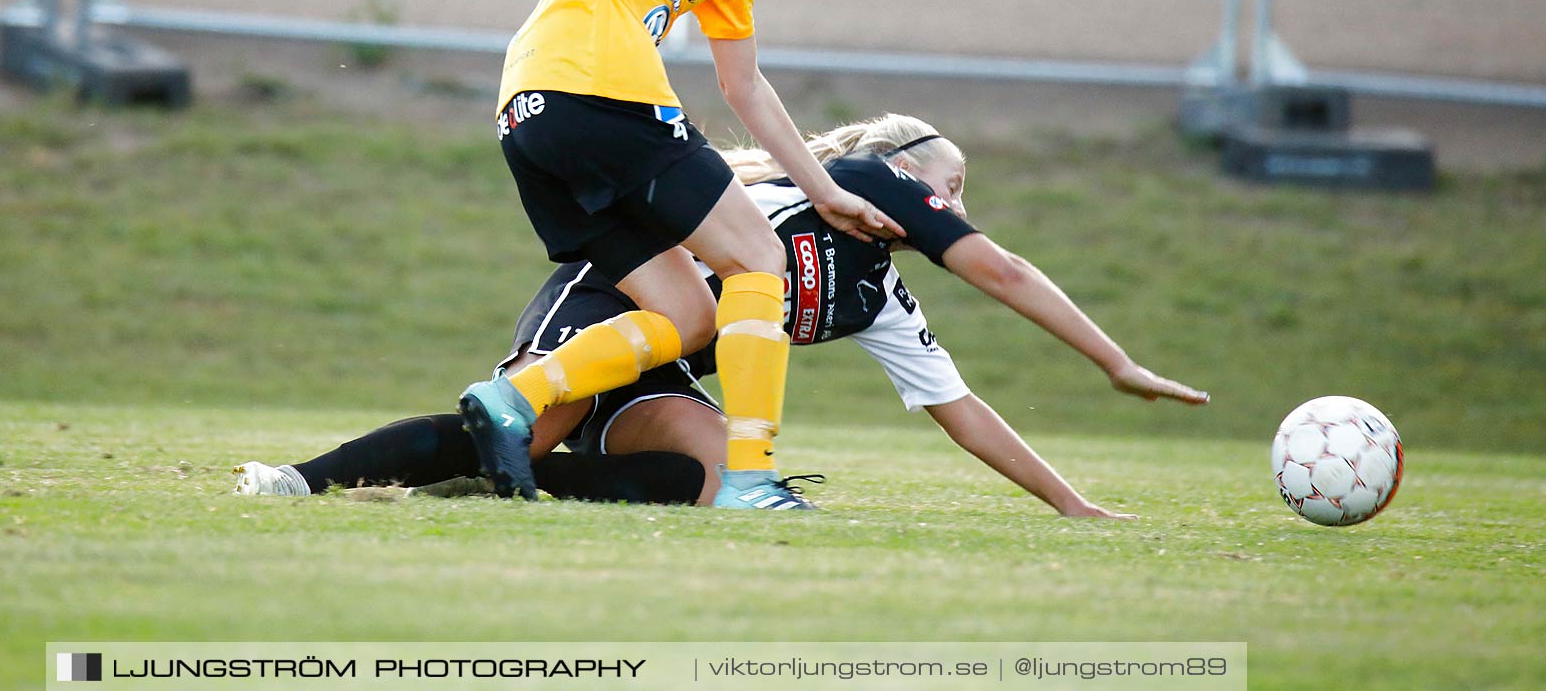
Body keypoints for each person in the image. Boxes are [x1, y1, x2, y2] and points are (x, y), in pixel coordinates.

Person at [323, 0, 903, 510]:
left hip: (534, 115)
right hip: (597, 92)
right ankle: (753, 481)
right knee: (761, 260)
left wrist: (821, 188)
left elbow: (745, 85)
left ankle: (512, 400)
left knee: (688, 315)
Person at [234, 114, 1209, 514]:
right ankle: (291, 481)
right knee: (513, 435)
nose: (957, 203)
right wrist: (1115, 363)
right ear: (904, 173)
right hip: (615, 302)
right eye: (950, 185)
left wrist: (1072, 505)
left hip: (666, 361)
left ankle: (513, 492)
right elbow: (998, 269)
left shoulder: (874, 291)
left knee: (710, 482)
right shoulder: (854, 182)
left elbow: (962, 410)